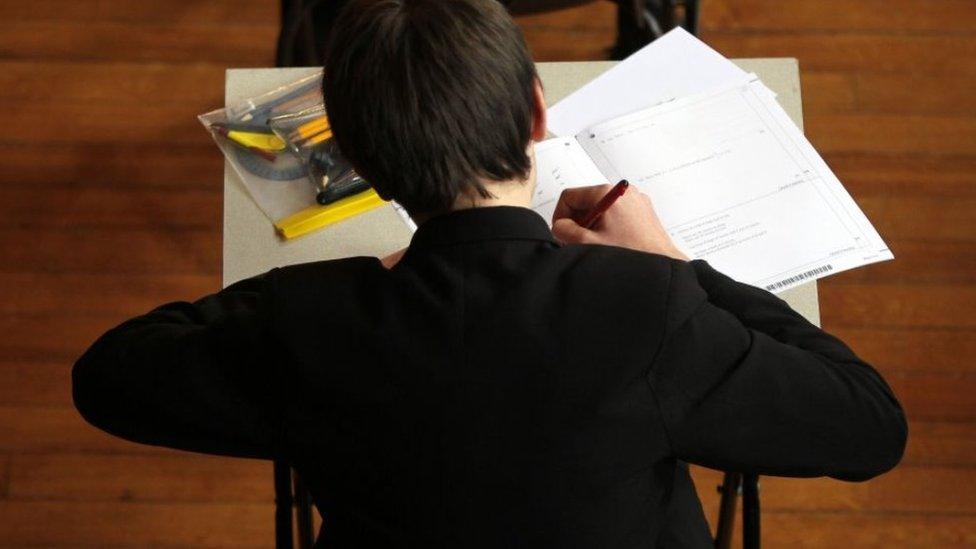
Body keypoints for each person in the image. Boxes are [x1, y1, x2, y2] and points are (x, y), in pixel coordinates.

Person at [73, 0, 907, 546]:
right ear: (539, 112)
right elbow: (871, 425)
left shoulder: (314, 325)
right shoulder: (653, 310)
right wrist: (679, 267)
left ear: (357, 158)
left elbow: (108, 375)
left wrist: (344, 285)